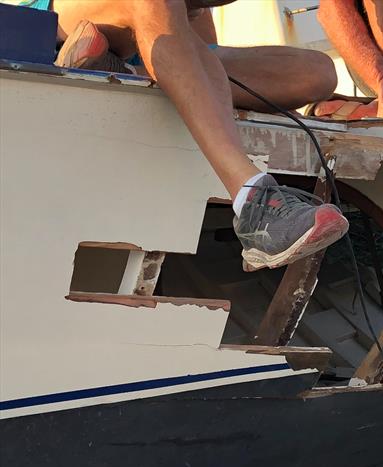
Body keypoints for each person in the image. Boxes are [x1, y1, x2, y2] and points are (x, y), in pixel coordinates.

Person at [6, 0, 347, 268]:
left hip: (156, 34)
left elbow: (203, 46)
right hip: (52, 16)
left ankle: (124, 70)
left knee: (318, 72)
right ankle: (252, 199)